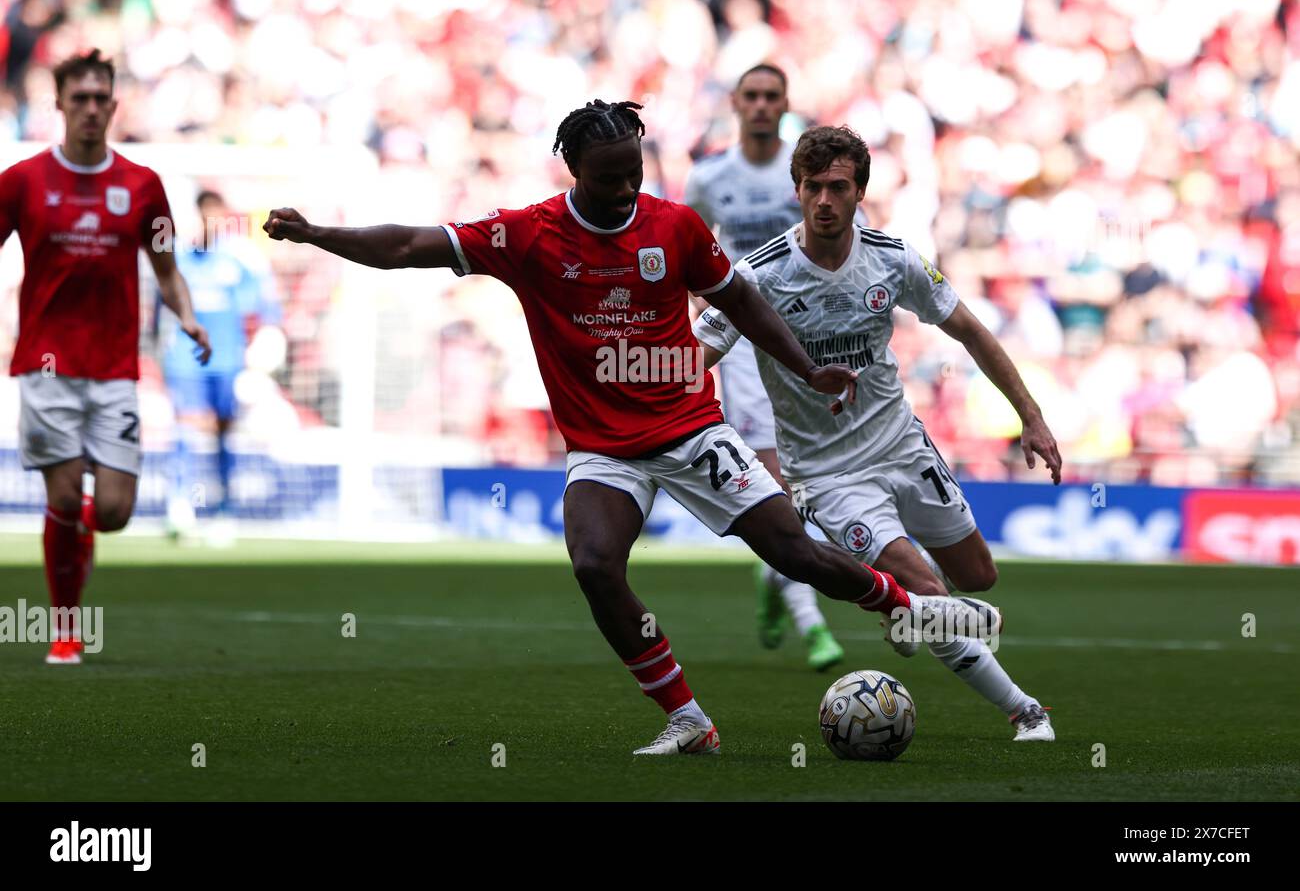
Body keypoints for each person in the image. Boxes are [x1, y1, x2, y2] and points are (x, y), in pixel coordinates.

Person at [263, 99, 1001, 756]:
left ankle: (911, 609)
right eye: (609, 177)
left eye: (633, 173)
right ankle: (688, 720)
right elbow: (404, 247)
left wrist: (808, 369)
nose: (625, 190)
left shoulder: (672, 225)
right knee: (592, 563)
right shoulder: (528, 234)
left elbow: (741, 302)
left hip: (690, 428)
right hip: (604, 447)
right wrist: (318, 233)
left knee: (794, 553)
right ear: (572, 169)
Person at [693, 124, 1061, 741]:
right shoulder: (759, 277)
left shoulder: (893, 258)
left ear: (860, 191)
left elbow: (969, 329)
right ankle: (1026, 710)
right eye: (813, 187)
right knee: (923, 587)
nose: (825, 201)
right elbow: (693, 356)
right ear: (798, 190)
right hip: (828, 476)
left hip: (901, 446)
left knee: (976, 578)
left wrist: (1031, 414)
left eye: (838, 187)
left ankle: (911, 618)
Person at [0, 49, 211, 664]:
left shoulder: (143, 186)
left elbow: (166, 269)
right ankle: (65, 628)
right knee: (63, 496)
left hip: (117, 366)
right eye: (80, 98)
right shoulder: (21, 181)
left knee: (114, 513)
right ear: (60, 104)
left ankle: (81, 538)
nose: (91, 108)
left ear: (114, 106)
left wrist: (189, 317)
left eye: (101, 99)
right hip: (45, 365)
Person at [684, 63, 853, 671]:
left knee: (818, 480)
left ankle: (775, 577)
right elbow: (689, 258)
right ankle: (813, 626)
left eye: (770, 97)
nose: (760, 105)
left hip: (816, 340)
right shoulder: (708, 179)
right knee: (778, 489)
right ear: (735, 102)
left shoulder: (810, 172)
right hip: (748, 349)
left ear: (785, 103)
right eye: (750, 96)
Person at [161, 189, 279, 538]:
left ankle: (224, 509)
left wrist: (266, 342)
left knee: (224, 434)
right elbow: (160, 305)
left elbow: (266, 306)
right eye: (204, 214)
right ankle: (180, 504)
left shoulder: (241, 258)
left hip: (227, 359)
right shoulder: (178, 256)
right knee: (184, 428)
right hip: (185, 356)